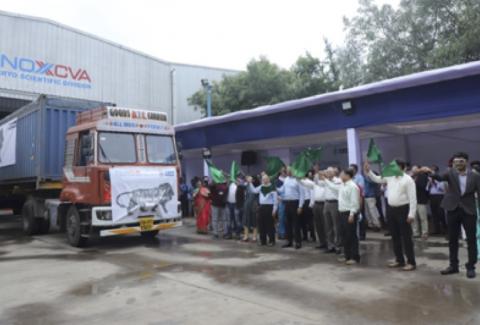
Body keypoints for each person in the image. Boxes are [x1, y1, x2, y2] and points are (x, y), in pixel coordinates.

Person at [427, 152, 480, 279]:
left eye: (460, 161)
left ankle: (471, 266)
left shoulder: (475, 176)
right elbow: (439, 178)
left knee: (471, 239)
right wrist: (429, 172)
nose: (457, 164)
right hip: (452, 209)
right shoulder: (450, 173)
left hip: (469, 210)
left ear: (466, 162)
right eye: (455, 161)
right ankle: (453, 266)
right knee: (452, 239)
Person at [365, 159, 417, 271]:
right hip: (391, 210)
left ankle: (411, 262)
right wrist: (369, 172)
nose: (392, 168)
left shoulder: (408, 180)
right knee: (395, 236)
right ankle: (399, 259)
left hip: (404, 210)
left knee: (406, 237)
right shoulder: (390, 177)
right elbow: (377, 179)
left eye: (395, 166)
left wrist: (411, 214)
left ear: (402, 168)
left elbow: (413, 198)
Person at [324, 168, 361, 265]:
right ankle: (347, 255)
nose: (340, 175)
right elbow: (333, 187)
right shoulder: (342, 185)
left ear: (348, 175)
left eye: (342, 174)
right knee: (344, 236)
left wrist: (352, 214)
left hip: (349, 213)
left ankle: (354, 257)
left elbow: (355, 202)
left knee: (351, 236)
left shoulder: (353, 186)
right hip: (342, 213)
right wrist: (325, 180)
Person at [277, 167, 304, 249]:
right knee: (287, 223)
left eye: (289, 171)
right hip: (287, 203)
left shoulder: (297, 180)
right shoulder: (286, 180)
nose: (288, 172)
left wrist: (300, 206)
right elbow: (282, 190)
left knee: (296, 223)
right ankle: (289, 241)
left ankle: (298, 242)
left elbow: (302, 194)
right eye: (287, 171)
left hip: (295, 202)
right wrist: (275, 189)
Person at [247, 174, 278, 246]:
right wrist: (250, 183)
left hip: (269, 207)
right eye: (263, 179)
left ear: (269, 179)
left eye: (265, 179)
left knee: (270, 225)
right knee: (261, 225)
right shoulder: (261, 187)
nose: (264, 180)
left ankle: (271, 241)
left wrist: (274, 210)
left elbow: (275, 201)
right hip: (261, 207)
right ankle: (263, 240)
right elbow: (254, 191)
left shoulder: (272, 188)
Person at [300, 172, 327, 249]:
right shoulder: (315, 184)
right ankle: (322, 242)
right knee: (318, 225)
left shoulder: (326, 183)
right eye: (317, 176)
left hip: (323, 204)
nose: (317, 177)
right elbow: (305, 183)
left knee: (325, 224)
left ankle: (328, 243)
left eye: (319, 176)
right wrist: (298, 178)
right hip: (316, 204)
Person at [321, 167, 342, 254]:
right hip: (326, 203)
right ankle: (330, 245)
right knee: (328, 226)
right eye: (327, 172)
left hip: (335, 203)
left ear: (334, 173)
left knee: (336, 226)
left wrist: (326, 180)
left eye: (330, 172)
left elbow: (334, 188)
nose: (328, 174)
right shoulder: (325, 181)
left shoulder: (338, 181)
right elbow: (314, 184)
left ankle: (338, 245)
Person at [427, 165, 447, 235]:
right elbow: (426, 189)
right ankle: (436, 230)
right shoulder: (429, 179)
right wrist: (430, 183)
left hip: (440, 196)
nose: (432, 173)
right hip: (432, 197)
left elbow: (442, 189)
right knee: (434, 213)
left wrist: (435, 182)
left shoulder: (440, 178)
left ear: (437, 171)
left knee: (441, 213)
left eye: (433, 171)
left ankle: (445, 229)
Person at [411, 165, 430, 240]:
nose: (413, 171)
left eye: (415, 169)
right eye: (413, 169)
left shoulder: (423, 176)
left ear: (419, 170)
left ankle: (424, 233)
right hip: (412, 200)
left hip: (421, 200)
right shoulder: (411, 177)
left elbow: (422, 186)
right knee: (413, 217)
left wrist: (413, 182)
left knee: (423, 218)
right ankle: (415, 233)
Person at [350, 164, 366, 240]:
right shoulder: (349, 178)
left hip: (359, 198)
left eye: (352, 169)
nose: (350, 171)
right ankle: (354, 234)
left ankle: (362, 235)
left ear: (356, 170)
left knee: (361, 217)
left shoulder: (360, 178)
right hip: (351, 200)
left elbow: (360, 188)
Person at [242, 175, 259, 242]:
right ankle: (246, 236)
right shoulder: (246, 184)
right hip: (247, 204)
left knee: (254, 221)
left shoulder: (257, 184)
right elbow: (241, 186)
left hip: (254, 204)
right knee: (246, 220)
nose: (247, 179)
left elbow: (255, 192)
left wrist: (251, 182)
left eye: (249, 178)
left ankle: (254, 237)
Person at [300, 171, 316, 242]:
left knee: (310, 221)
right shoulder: (300, 182)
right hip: (302, 202)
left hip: (308, 201)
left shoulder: (310, 182)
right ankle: (305, 236)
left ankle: (313, 236)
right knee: (302, 220)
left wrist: (311, 204)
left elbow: (312, 193)